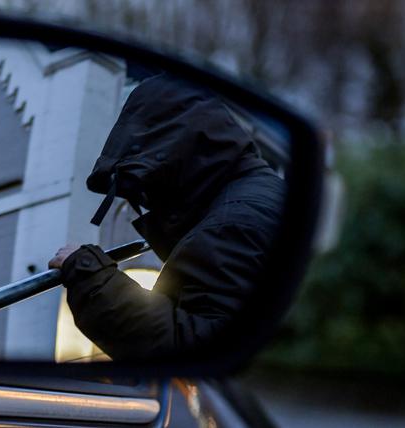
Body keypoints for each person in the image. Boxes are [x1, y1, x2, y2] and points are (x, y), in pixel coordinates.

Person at [47, 74, 285, 361]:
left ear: (170, 160)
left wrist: (86, 272)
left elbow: (191, 349)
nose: (148, 201)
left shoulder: (230, 225)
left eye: (148, 184)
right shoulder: (257, 193)